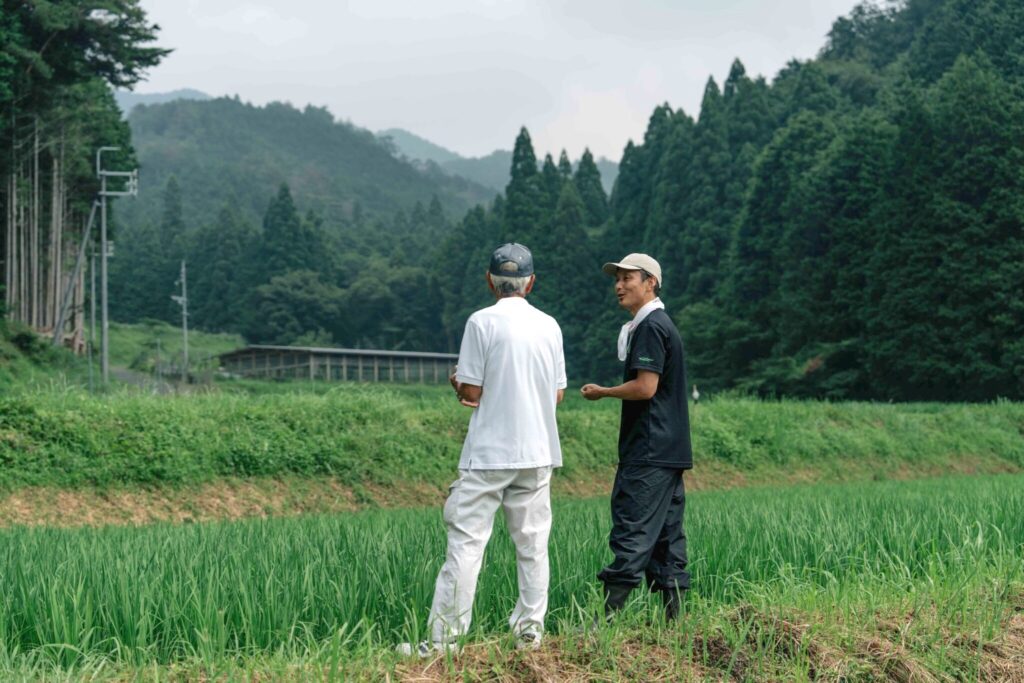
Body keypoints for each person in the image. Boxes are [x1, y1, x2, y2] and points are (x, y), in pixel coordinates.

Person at [398, 242, 567, 657]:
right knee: (532, 545)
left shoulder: (481, 322)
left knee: (467, 544)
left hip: (490, 453)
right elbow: (558, 394)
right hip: (538, 452)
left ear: (490, 281)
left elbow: (471, 391)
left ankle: (443, 644)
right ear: (531, 282)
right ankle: (529, 633)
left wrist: (458, 383)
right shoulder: (550, 325)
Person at [580, 253, 692, 621]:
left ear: (651, 283)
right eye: (617, 279)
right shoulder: (660, 324)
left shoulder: (649, 327)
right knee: (665, 539)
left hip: (647, 449)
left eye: (628, 278)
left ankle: (603, 623)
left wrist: (603, 392)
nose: (619, 285)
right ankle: (676, 627)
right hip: (669, 450)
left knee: (633, 529)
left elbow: (645, 388)